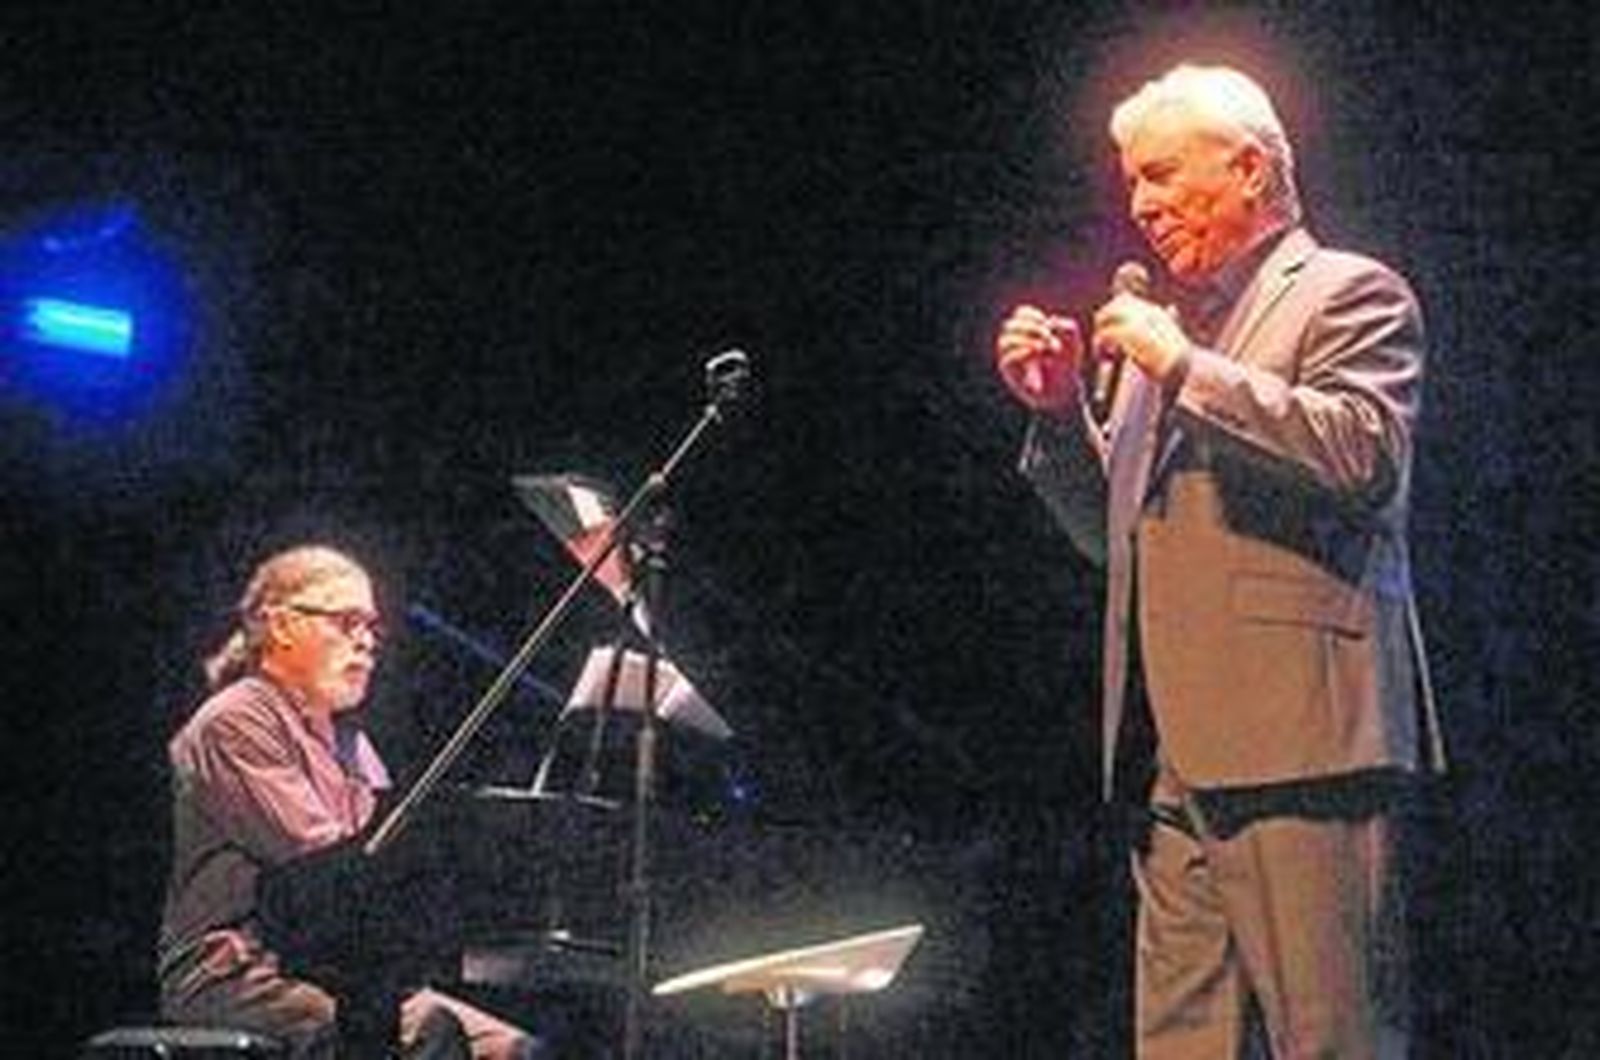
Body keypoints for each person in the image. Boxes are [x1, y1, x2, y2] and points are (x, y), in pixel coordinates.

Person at [994, 64, 1445, 1058]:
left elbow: (1363, 455)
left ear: (1249, 168)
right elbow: (1110, 540)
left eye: (1161, 176)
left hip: (1303, 746)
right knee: (1179, 1046)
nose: (1141, 208)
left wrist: (1182, 369)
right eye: (1132, 188)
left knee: (1335, 1040)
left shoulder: (1348, 291)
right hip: (1171, 762)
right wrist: (1059, 411)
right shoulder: (1174, 336)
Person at [157, 544, 540, 1059]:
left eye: (372, 629)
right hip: (236, 975)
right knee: (428, 1031)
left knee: (517, 1050)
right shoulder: (235, 720)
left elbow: (382, 865)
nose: (365, 643)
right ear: (281, 625)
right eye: (347, 622)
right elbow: (323, 870)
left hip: (341, 974)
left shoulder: (350, 740)